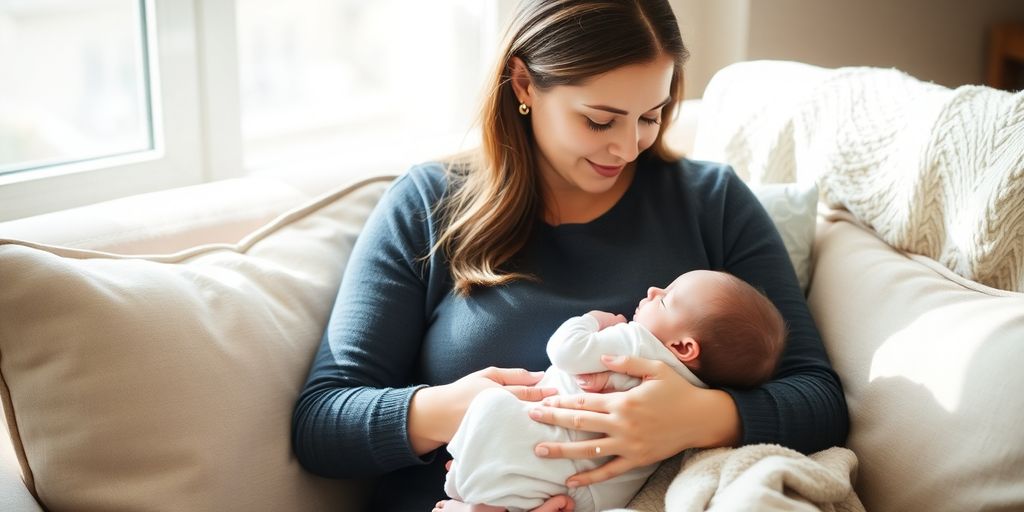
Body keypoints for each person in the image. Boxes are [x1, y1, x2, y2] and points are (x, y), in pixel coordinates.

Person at [291, 0, 849, 510]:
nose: (628, 147)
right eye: (600, 120)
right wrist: (455, 408)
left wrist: (697, 418)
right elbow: (322, 423)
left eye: (651, 115)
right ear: (524, 85)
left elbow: (818, 398)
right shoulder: (428, 205)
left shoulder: (712, 202)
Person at [443, 270, 787, 512]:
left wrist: (591, 321)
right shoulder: (692, 389)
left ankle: (477, 500)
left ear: (683, 347)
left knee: (490, 404)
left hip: (548, 448)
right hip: (595, 495)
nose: (653, 291)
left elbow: (565, 351)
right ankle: (481, 496)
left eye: (666, 300)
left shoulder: (637, 342)